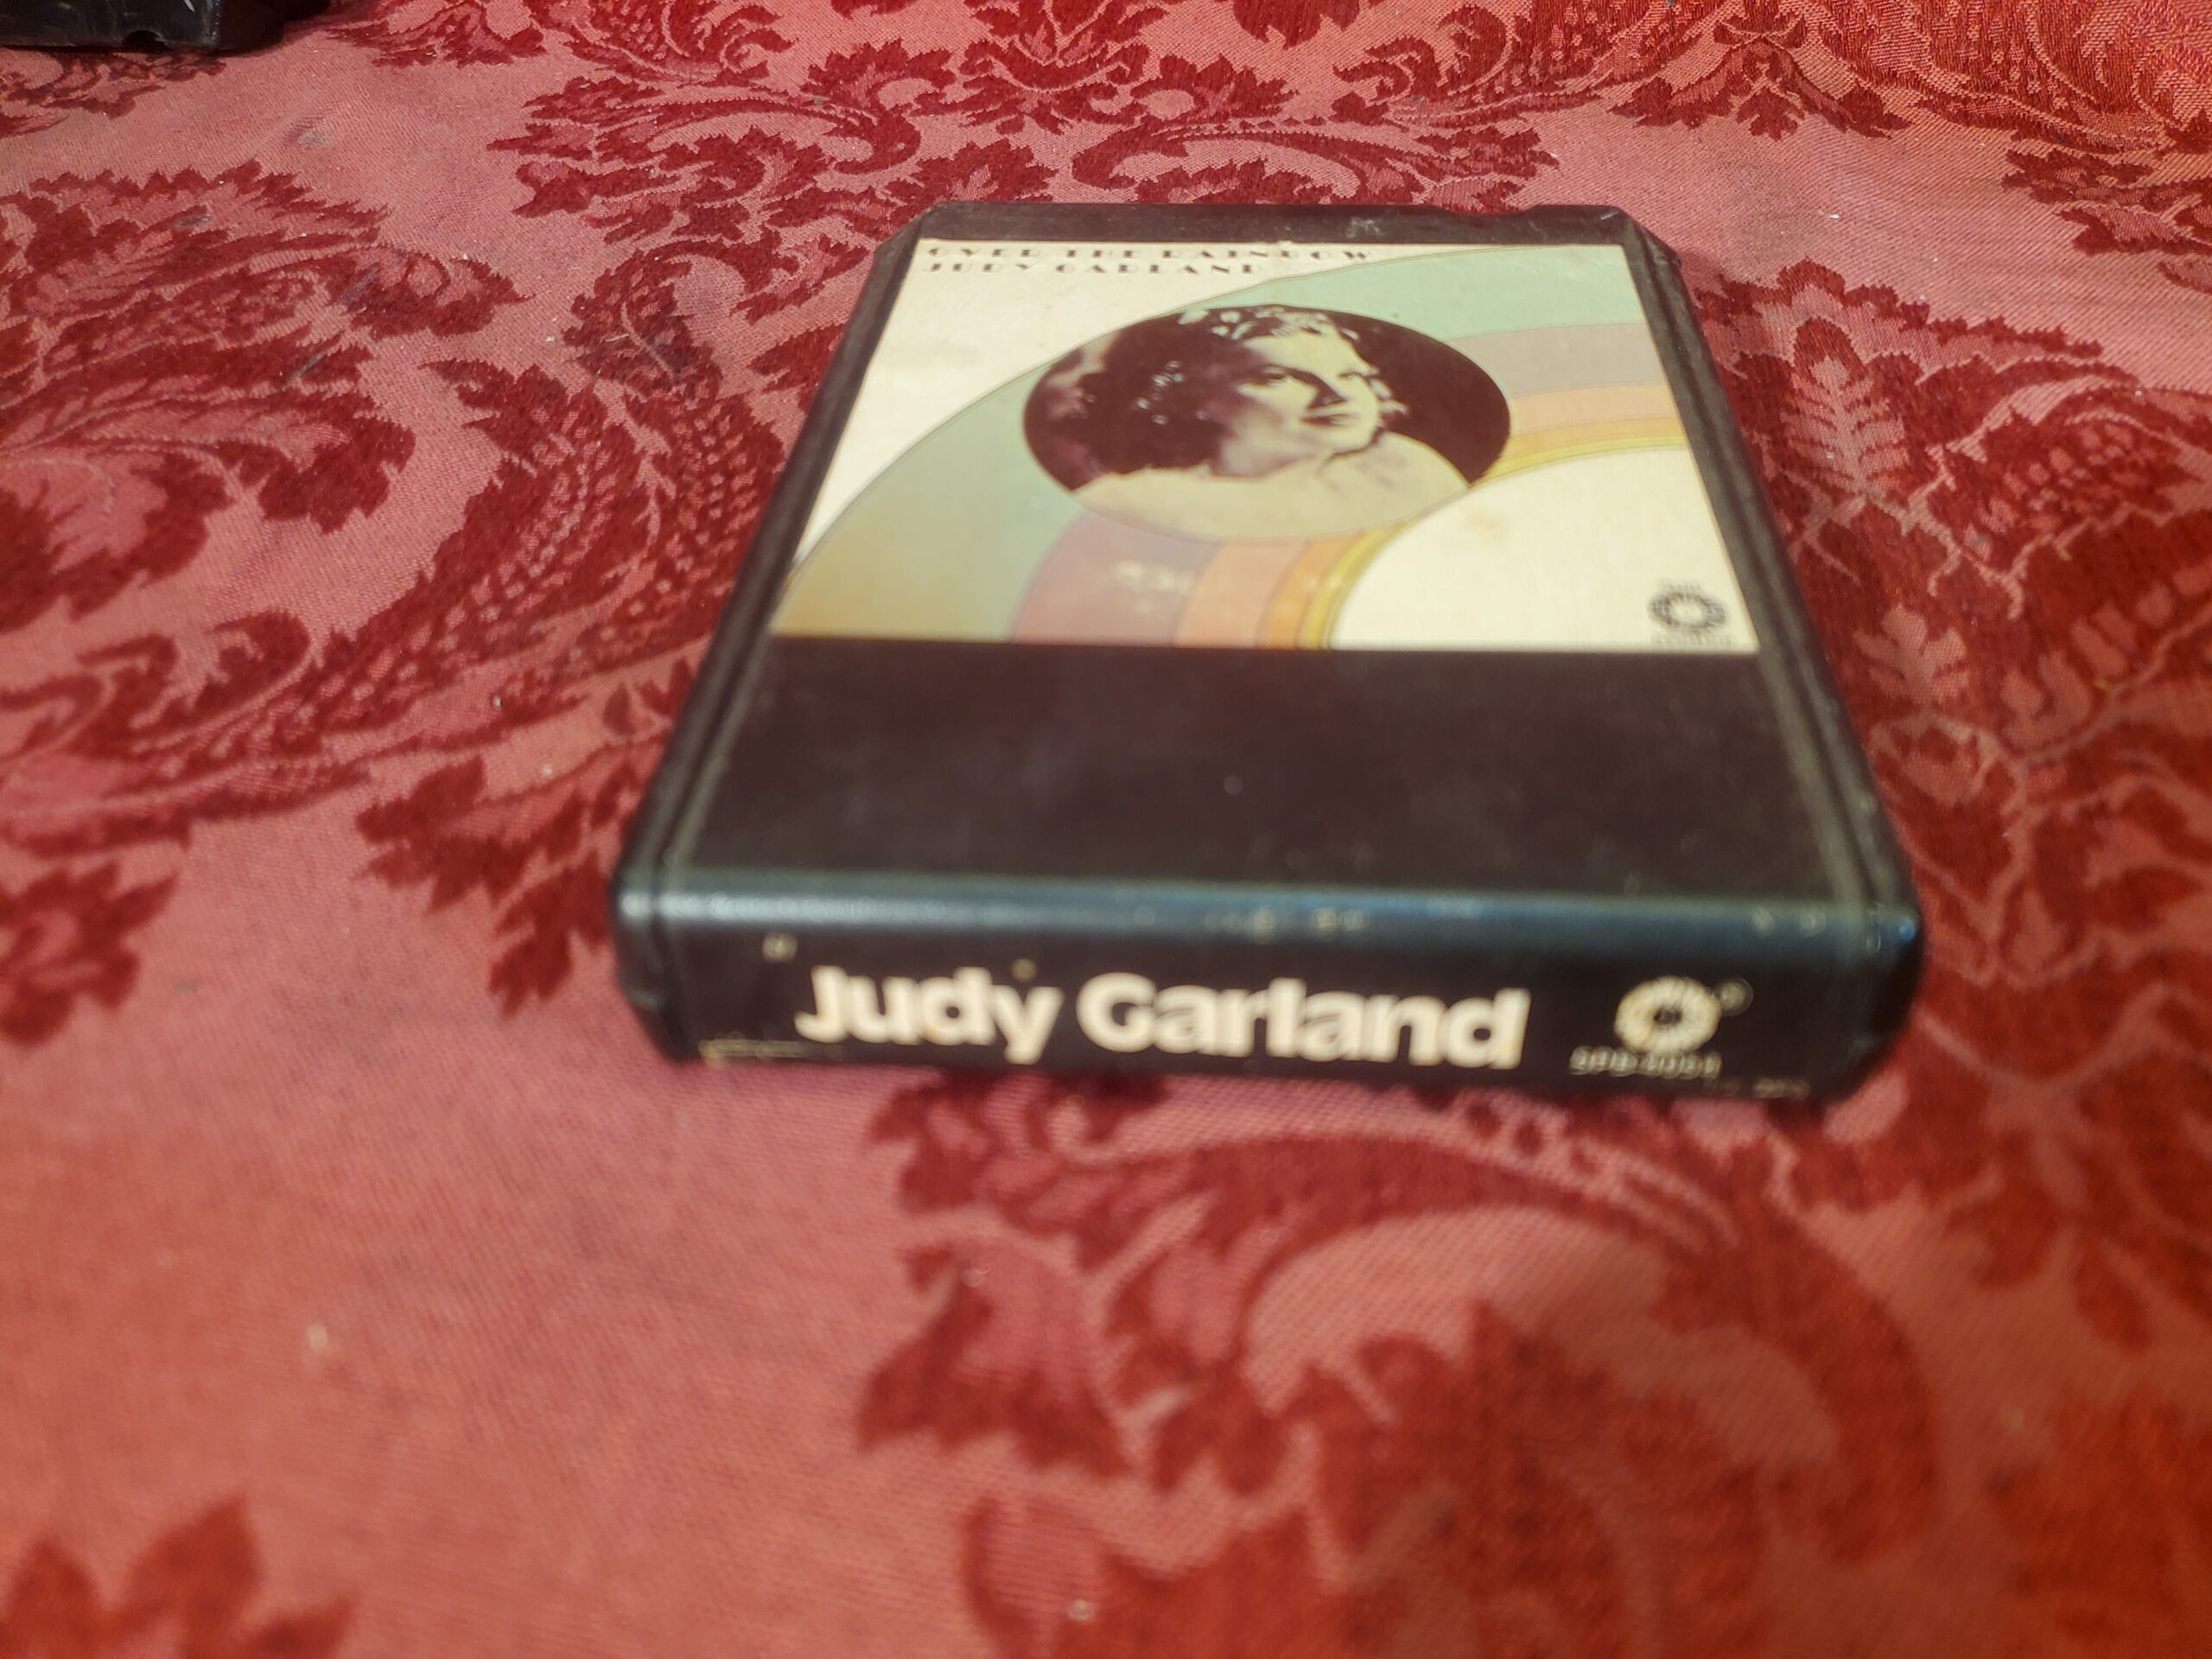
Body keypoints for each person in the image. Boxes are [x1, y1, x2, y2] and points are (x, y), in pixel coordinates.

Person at [1055, 306, 1467, 541]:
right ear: (1193, 400)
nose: (1337, 395)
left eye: (1351, 375)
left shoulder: (1399, 473)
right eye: (1277, 377)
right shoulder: (1136, 502)